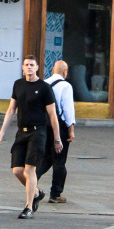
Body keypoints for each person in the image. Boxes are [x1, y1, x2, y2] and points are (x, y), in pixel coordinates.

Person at [0, 55, 59, 218]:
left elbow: (52, 115)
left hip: (38, 132)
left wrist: (57, 139)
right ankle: (36, 193)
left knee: (30, 169)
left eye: (32, 65)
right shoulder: (18, 84)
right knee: (17, 170)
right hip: (21, 132)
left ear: (37, 68)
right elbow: (11, 109)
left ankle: (28, 207)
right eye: (26, 65)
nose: (29, 67)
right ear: (23, 68)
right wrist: (2, 131)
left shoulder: (44, 88)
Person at [37, 60, 76, 204]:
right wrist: (71, 129)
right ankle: (55, 193)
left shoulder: (43, 84)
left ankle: (31, 181)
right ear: (65, 72)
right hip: (59, 126)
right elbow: (68, 110)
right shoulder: (66, 86)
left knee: (46, 157)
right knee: (59, 160)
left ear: (53, 70)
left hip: (43, 126)